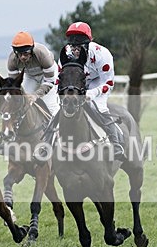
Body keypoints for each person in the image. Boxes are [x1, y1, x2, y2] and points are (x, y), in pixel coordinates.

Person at [38, 21, 125, 161]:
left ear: (87, 44)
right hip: (77, 82)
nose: (75, 50)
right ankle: (46, 145)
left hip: (99, 82)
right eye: (73, 46)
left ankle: (116, 144)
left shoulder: (102, 55)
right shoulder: (66, 54)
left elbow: (108, 83)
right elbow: (59, 80)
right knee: (58, 110)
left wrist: (92, 93)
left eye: (79, 47)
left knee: (99, 107)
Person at [6, 31, 59, 116]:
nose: (22, 57)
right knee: (23, 103)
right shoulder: (12, 60)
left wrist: (35, 95)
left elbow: (49, 82)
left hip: (48, 77)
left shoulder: (42, 54)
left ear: (31, 50)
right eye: (19, 54)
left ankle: (58, 128)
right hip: (30, 76)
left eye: (25, 53)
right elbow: (15, 85)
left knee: (50, 107)